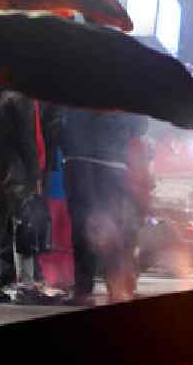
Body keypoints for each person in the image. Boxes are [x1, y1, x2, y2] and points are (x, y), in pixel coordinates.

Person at [62, 108, 149, 305]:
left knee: (82, 227)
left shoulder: (72, 91)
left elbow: (59, 126)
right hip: (110, 165)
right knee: (111, 227)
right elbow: (139, 126)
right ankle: (116, 288)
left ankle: (83, 290)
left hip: (78, 163)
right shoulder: (120, 90)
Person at [0, 87, 43, 304]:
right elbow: (26, 140)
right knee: (23, 226)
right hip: (15, 173)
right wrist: (34, 173)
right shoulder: (18, 97)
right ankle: (25, 287)